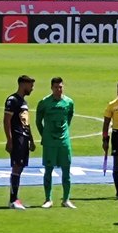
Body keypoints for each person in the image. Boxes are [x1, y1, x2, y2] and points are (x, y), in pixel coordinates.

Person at [36, 76, 76, 208]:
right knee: (48, 170)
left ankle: (66, 199)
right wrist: (45, 135)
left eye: (60, 87)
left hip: (64, 142)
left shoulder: (69, 102)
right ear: (51, 88)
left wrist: (63, 133)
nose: (58, 89)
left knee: (66, 170)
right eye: (56, 87)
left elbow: (69, 118)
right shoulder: (44, 103)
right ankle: (48, 199)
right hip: (50, 142)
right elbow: (38, 121)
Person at [3, 74, 36, 210]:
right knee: (16, 167)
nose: (32, 88)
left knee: (20, 167)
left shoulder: (23, 102)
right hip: (17, 138)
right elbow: (6, 121)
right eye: (30, 85)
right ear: (22, 84)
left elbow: (26, 123)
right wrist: (9, 140)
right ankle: (13, 200)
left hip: (24, 138)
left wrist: (32, 139)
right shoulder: (12, 100)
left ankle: (15, 198)